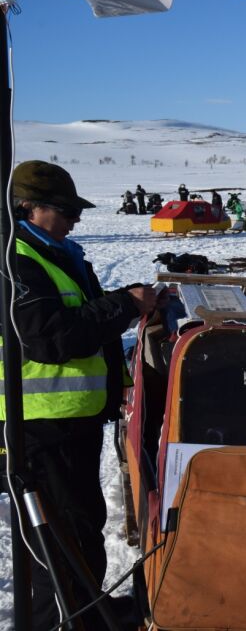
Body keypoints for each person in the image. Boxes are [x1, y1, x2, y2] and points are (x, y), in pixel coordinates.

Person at [4, 161, 160, 629]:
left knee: (82, 522)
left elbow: (81, 313)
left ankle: (88, 609)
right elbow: (51, 337)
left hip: (74, 418)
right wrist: (125, 304)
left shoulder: (57, 253)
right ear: (28, 208)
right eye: (64, 210)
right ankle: (62, 620)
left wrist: (132, 302)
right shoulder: (16, 261)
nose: (75, 219)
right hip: (40, 424)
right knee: (54, 536)